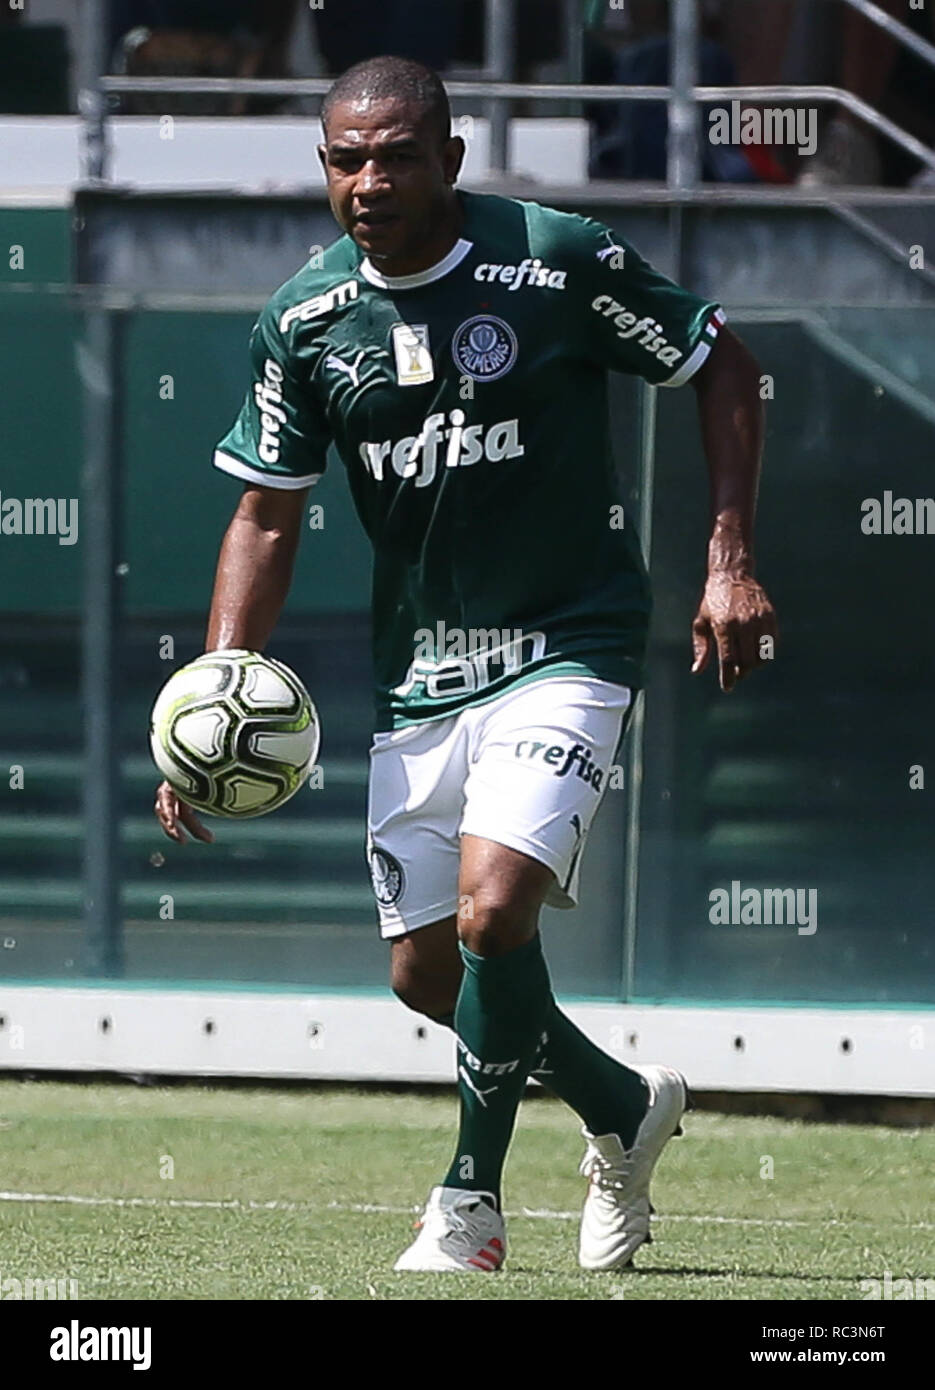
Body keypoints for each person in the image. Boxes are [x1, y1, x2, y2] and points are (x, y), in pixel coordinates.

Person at [154, 55, 776, 1274]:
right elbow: (266, 515)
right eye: (345, 158)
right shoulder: (302, 319)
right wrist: (210, 696)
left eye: (394, 154)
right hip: (423, 671)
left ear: (451, 155)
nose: (369, 179)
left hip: (570, 637)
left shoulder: (555, 259)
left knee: (497, 912)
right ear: (321, 168)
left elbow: (721, 362)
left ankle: (467, 1206)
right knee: (428, 976)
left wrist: (725, 556)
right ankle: (620, 1104)